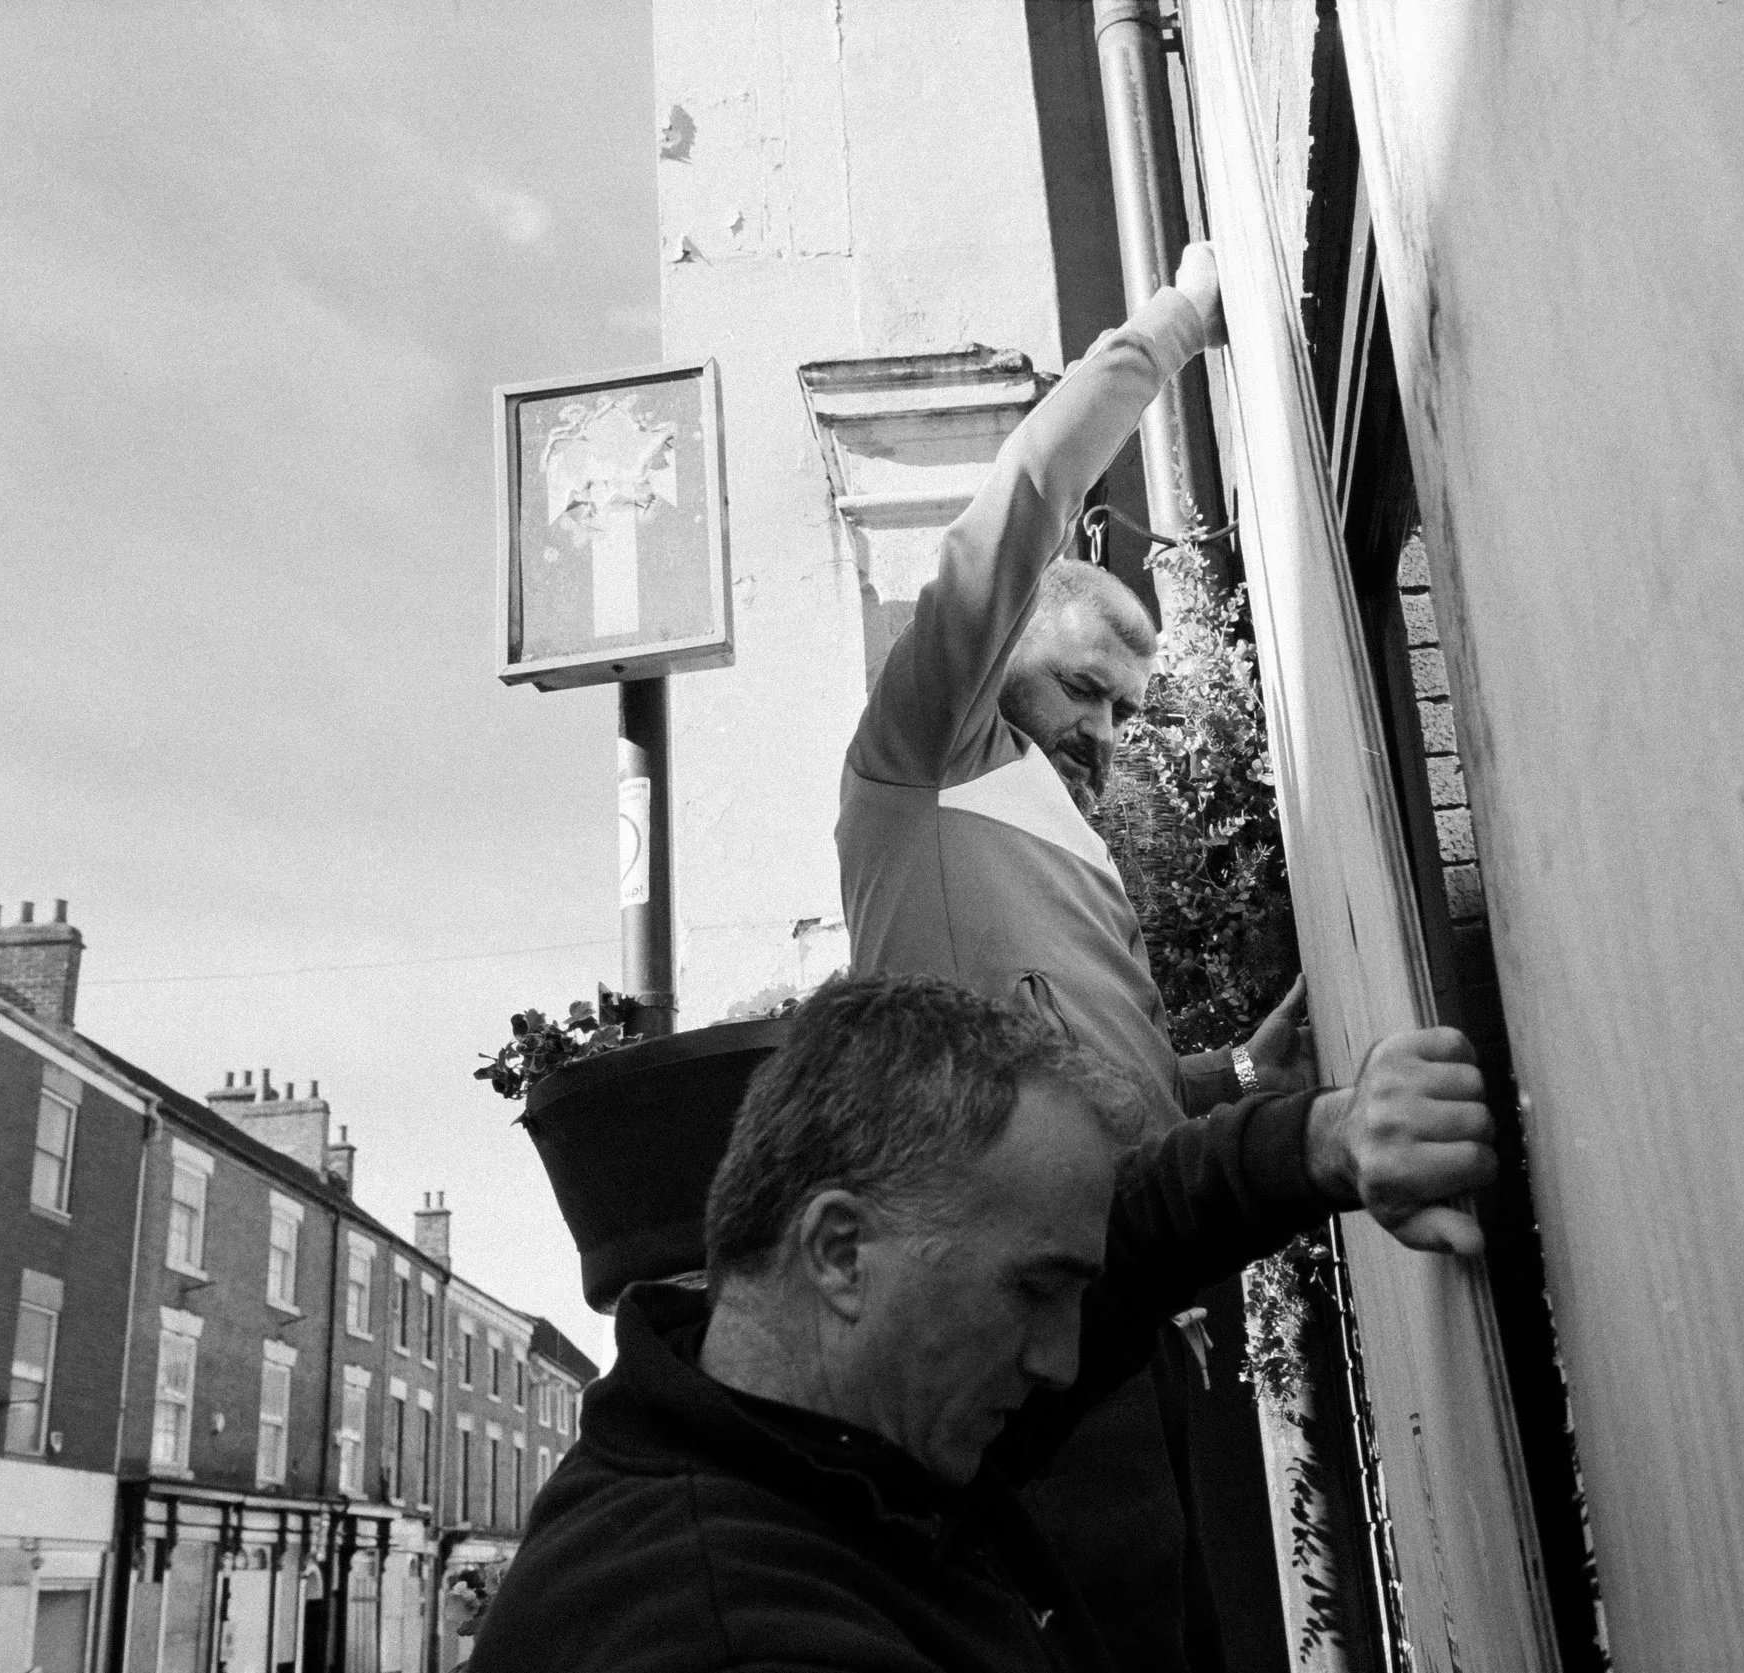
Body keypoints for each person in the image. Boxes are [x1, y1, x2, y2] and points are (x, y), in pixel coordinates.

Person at [837, 240, 1372, 1669]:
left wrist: (1230, 1073)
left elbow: (1097, 1079)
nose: (1108, 735)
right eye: (1088, 688)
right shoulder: (923, 764)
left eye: (1132, 712)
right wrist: (1177, 327)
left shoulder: (1046, 838)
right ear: (1007, 650)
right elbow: (1018, 505)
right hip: (1000, 1320)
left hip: (1124, 1313)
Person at [468, 972, 1496, 1672]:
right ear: (836, 1250)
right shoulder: (726, 1627)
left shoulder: (831, 1424)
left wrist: (1332, 1134)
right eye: (1033, 1292)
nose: (1062, 1359)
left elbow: (1130, 1225)